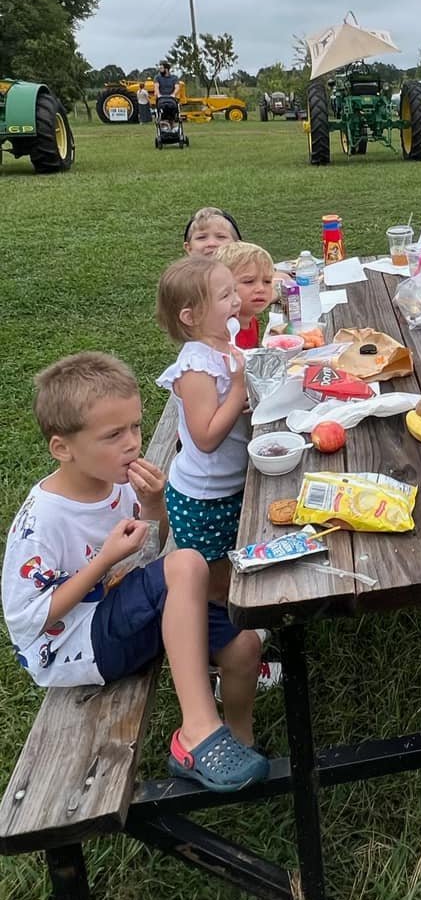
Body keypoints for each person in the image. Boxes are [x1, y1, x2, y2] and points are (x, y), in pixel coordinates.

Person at [1, 353, 268, 793]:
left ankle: (239, 738)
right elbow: (28, 620)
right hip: (78, 644)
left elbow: (147, 553)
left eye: (135, 427)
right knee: (187, 564)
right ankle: (195, 733)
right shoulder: (42, 521)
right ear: (62, 448)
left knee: (244, 645)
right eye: (113, 435)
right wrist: (102, 562)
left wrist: (154, 507)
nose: (131, 443)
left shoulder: (117, 481)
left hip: (123, 611)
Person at [155, 256, 251, 606]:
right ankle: (220, 643)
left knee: (237, 560)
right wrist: (239, 388)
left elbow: (226, 410)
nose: (237, 300)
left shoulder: (223, 345)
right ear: (190, 317)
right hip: (203, 500)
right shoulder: (196, 367)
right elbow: (206, 438)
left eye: (233, 291)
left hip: (230, 484)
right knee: (218, 585)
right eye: (225, 296)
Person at [218, 240, 276, 350]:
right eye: (249, 282)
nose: (261, 289)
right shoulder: (223, 334)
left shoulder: (251, 319)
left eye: (267, 281)